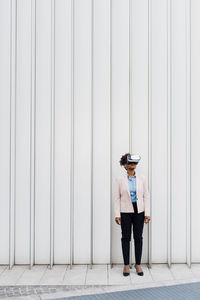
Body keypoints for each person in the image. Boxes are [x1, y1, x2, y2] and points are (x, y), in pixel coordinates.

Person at [114, 153, 151, 276]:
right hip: (125, 212)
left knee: (138, 238)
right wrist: (117, 214)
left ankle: (138, 264)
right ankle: (126, 265)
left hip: (139, 211)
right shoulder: (120, 180)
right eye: (129, 163)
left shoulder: (142, 178)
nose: (132, 165)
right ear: (125, 165)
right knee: (125, 238)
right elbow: (117, 198)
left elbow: (146, 196)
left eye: (134, 163)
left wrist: (147, 213)